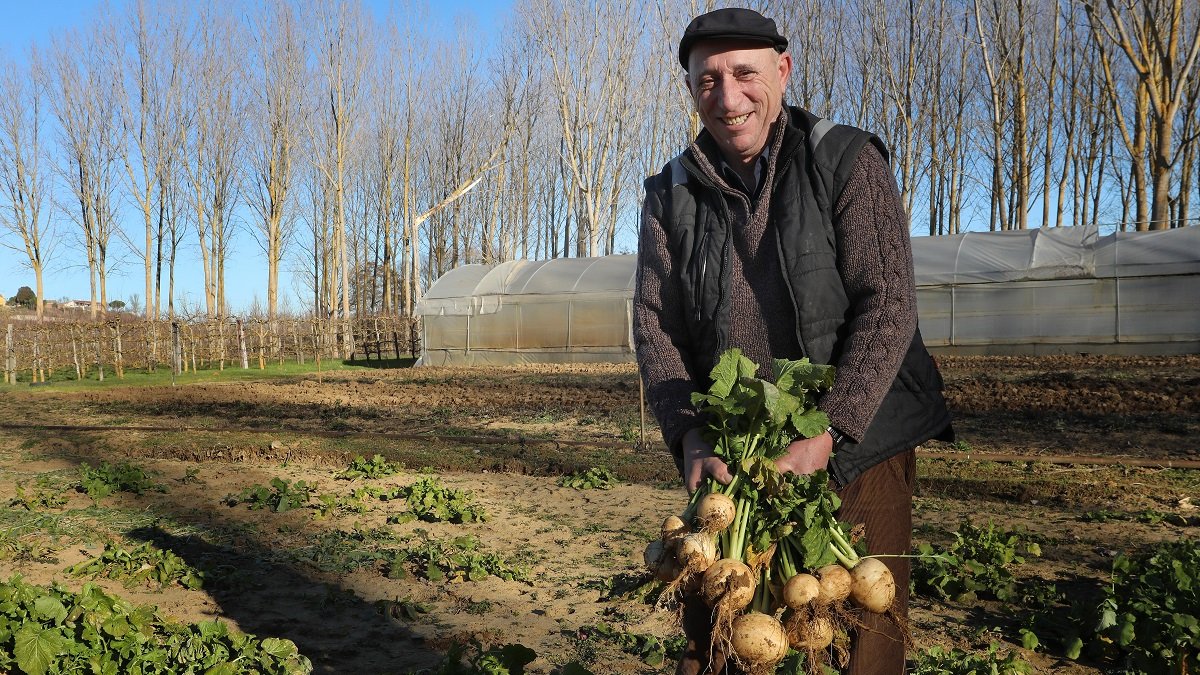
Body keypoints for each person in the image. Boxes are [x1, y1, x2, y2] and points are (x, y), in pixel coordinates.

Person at [633, 7, 954, 675]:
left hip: (860, 436)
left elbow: (888, 302)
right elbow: (653, 321)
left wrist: (831, 429)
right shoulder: (671, 192)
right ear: (690, 89)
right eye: (707, 80)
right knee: (718, 623)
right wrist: (689, 434)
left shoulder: (845, 160)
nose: (728, 97)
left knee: (862, 625)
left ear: (781, 71)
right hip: (738, 447)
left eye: (745, 73)